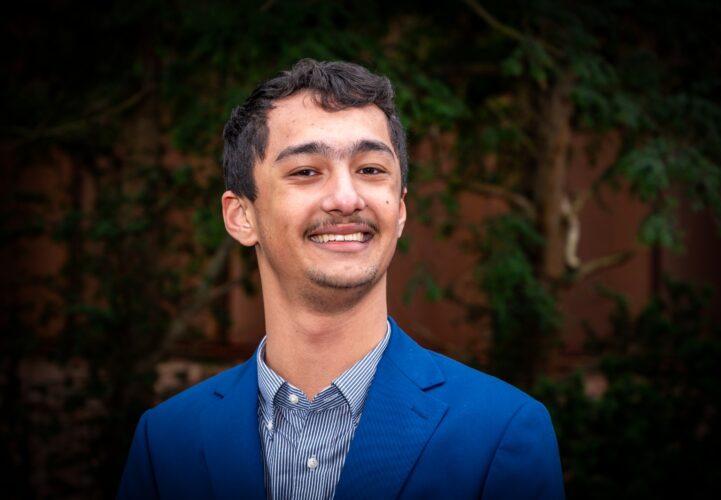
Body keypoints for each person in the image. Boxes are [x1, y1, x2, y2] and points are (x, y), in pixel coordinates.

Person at [118, 59, 565, 499]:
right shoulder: (167, 443)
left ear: (400, 210)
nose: (346, 199)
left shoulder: (500, 432)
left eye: (370, 170)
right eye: (306, 171)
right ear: (241, 216)